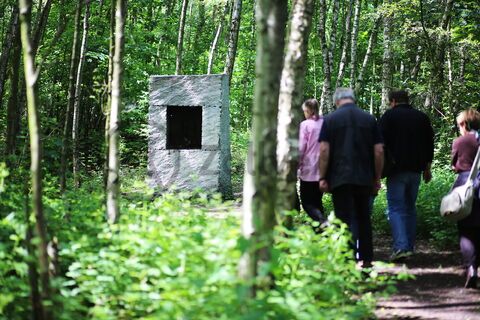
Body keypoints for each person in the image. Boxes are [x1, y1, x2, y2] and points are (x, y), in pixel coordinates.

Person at [318, 88, 384, 267]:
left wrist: (322, 176)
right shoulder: (369, 119)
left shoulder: (330, 120)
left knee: (343, 220)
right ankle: (367, 260)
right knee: (364, 218)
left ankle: (347, 261)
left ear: (336, 101)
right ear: (353, 99)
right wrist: (376, 177)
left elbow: (324, 150)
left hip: (339, 178)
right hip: (364, 178)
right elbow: (378, 151)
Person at [379, 90, 434, 262]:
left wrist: (378, 171)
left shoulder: (388, 117)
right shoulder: (421, 117)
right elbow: (429, 143)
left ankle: (401, 247)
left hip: (396, 171)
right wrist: (427, 167)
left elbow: (380, 145)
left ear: (393, 101)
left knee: (395, 208)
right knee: (410, 208)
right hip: (416, 171)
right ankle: (409, 246)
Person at [451, 109, 480, 288]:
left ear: (464, 124)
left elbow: (455, 166)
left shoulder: (459, 142)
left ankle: (471, 268)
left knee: (466, 230)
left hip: (465, 187)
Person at [298, 99, 326, 227]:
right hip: (324, 169)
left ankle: (323, 223)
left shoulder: (305, 125)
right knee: (317, 201)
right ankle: (321, 234)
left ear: (308, 111)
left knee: (307, 202)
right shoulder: (325, 122)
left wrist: (296, 167)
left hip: (309, 169)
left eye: (304, 111)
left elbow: (301, 148)